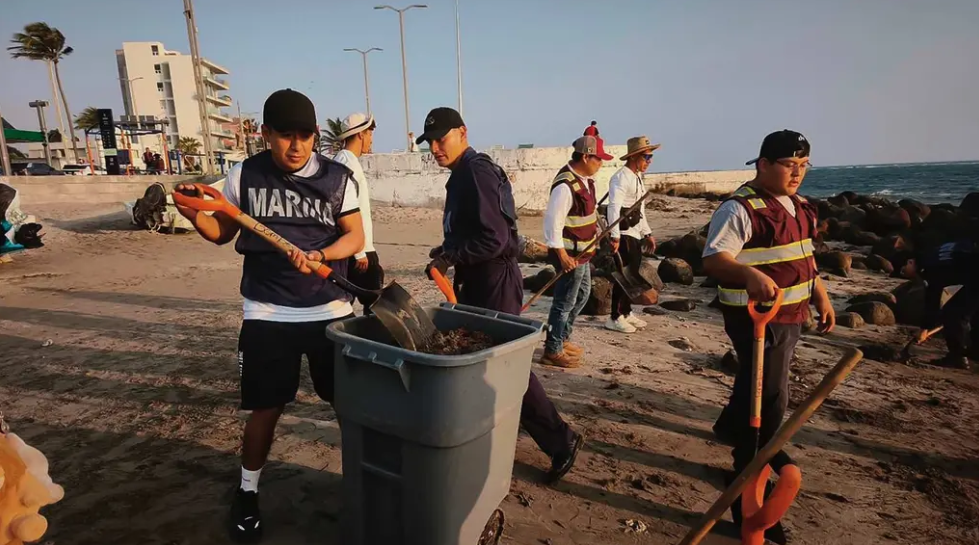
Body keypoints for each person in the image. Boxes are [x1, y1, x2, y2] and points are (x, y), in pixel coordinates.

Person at [173, 88, 364, 544]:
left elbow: (353, 237)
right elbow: (221, 231)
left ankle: (363, 484)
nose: (295, 146)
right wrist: (193, 214)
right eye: (284, 135)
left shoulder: (337, 178)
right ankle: (247, 492)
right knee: (266, 409)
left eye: (305, 136)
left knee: (350, 408)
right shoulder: (245, 175)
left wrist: (322, 252)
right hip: (267, 312)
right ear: (265, 134)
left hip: (331, 311)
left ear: (316, 136)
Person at [419, 107, 583, 484]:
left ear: (462, 132)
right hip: (479, 278)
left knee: (505, 367)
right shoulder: (465, 173)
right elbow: (480, 232)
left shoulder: (474, 172)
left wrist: (450, 256)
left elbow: (494, 239)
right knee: (483, 361)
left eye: (441, 139)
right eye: (429, 142)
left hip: (493, 280)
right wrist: (447, 252)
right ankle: (491, 433)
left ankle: (561, 441)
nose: (435, 147)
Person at [702, 129, 834, 544]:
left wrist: (821, 295)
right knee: (770, 400)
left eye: (803, 166)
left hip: (791, 315)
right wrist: (747, 273)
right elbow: (713, 258)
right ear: (763, 165)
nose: (797, 173)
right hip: (756, 318)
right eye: (788, 165)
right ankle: (749, 494)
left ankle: (730, 427)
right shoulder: (740, 210)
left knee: (755, 385)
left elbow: (804, 257)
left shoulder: (801, 207)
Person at [541, 132, 614, 367]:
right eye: (598, 159)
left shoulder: (586, 182)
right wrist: (562, 255)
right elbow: (553, 223)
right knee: (564, 302)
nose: (601, 164)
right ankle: (552, 349)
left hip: (583, 254)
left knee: (581, 296)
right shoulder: (565, 186)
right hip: (569, 256)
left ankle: (562, 338)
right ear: (585, 157)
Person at [895, 240, 979, 369]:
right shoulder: (931, 253)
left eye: (903, 270)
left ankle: (957, 358)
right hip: (973, 276)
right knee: (959, 310)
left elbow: (933, 300)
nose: (906, 275)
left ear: (910, 262)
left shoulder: (929, 268)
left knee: (954, 313)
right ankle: (969, 352)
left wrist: (924, 329)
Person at [605, 135, 660, 333]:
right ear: (635, 157)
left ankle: (626, 312)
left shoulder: (636, 178)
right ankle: (615, 316)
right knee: (624, 276)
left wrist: (648, 233)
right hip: (625, 233)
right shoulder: (621, 177)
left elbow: (640, 209)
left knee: (633, 274)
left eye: (650, 157)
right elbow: (614, 207)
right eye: (647, 157)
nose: (649, 161)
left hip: (636, 232)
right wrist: (615, 236)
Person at [334, 112, 384, 315]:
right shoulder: (346, 164)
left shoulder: (346, 161)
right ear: (361, 134)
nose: (371, 140)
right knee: (375, 304)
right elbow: (344, 208)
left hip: (357, 246)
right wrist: (360, 252)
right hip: (358, 248)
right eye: (370, 134)